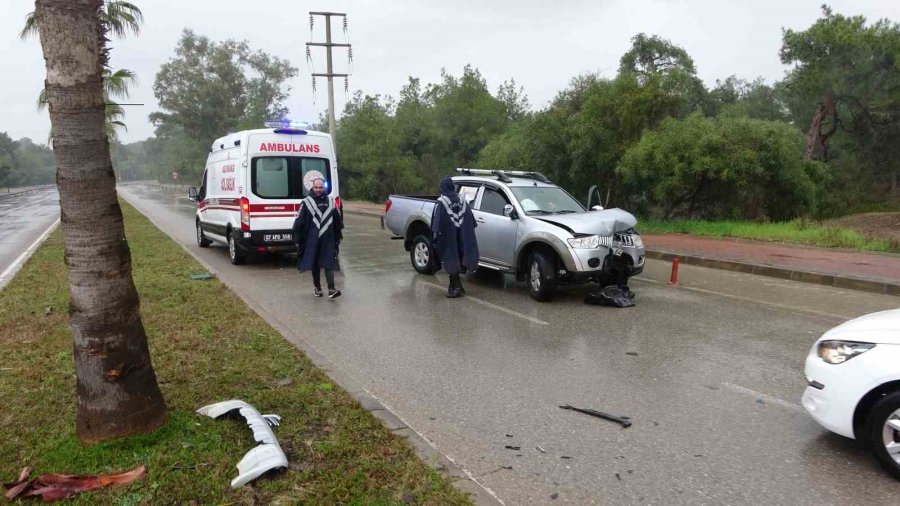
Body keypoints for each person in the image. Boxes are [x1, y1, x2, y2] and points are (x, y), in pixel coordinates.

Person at [293, 178, 343, 298]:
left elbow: (337, 221)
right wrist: (298, 240)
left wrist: (338, 236)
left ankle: (331, 289)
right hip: (312, 239)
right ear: (312, 187)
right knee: (315, 263)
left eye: (321, 187)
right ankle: (317, 287)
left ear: (324, 188)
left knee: (329, 262)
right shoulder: (306, 202)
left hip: (328, 238)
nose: (319, 190)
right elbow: (299, 223)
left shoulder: (330, 201)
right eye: (316, 187)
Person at [431, 176, 479, 298]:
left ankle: (457, 286)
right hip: (462, 235)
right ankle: (454, 286)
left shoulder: (442, 202)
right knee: (458, 258)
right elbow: (471, 220)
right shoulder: (462, 200)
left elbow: (437, 222)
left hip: (448, 236)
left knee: (450, 258)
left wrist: (435, 237)